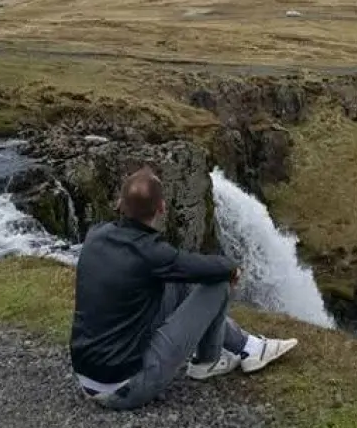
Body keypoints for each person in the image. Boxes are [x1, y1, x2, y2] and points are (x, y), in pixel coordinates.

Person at [69, 166, 297, 410]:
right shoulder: (152, 253)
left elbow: (184, 269)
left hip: (86, 376)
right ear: (162, 208)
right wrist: (232, 270)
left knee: (179, 286)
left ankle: (248, 347)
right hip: (127, 387)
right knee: (217, 284)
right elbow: (214, 269)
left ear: (120, 204)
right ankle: (207, 362)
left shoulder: (96, 236)